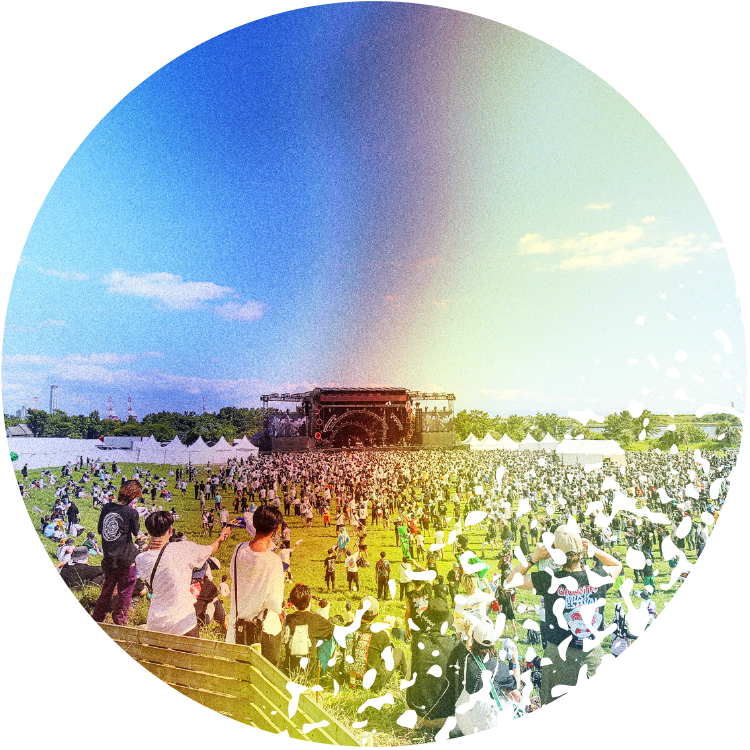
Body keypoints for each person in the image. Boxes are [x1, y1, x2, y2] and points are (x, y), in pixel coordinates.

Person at [507, 524, 621, 712]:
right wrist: (595, 550)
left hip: (559, 659)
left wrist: (533, 558)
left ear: (556, 553)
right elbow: (617, 565)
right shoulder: (598, 577)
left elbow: (512, 579)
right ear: (581, 550)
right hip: (592, 657)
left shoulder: (550, 581)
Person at [136, 510, 231, 637]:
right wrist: (222, 536)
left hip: (156, 624)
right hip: (183, 624)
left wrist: (147, 547)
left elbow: (140, 556)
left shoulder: (142, 559)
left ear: (148, 532)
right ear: (170, 530)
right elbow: (210, 549)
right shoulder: (182, 549)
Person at [226, 505, 285, 665]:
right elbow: (275, 603)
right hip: (264, 631)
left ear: (254, 523)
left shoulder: (239, 549)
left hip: (238, 628)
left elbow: (233, 574)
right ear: (276, 528)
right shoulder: (274, 561)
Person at [447, 618, 524, 737]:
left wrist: (469, 636)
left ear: (473, 639)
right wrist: (515, 661)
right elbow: (516, 686)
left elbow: (469, 649)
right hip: (484, 727)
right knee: (515, 696)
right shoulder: (499, 667)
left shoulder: (464, 658)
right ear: (493, 643)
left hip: (463, 722)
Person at [91, 480, 142, 626]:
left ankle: (96, 619)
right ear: (134, 497)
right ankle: (119, 622)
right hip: (126, 558)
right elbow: (136, 532)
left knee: (107, 590)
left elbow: (100, 529)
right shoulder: (132, 513)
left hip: (109, 557)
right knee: (125, 592)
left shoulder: (107, 507)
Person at [405, 598, 460, 728]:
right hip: (447, 718)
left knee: (412, 665)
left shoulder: (417, 639)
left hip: (417, 715)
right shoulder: (454, 645)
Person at [340, 596, 406, 692]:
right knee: (399, 652)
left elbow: (342, 649)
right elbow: (389, 657)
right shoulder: (381, 635)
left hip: (346, 678)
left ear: (359, 611)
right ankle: (404, 682)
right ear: (377, 614)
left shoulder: (347, 627)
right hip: (372, 685)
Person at [282, 583, 334, 679]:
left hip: (290, 670)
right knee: (327, 639)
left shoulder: (288, 619)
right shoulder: (315, 619)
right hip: (309, 673)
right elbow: (331, 631)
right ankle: (325, 668)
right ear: (309, 599)